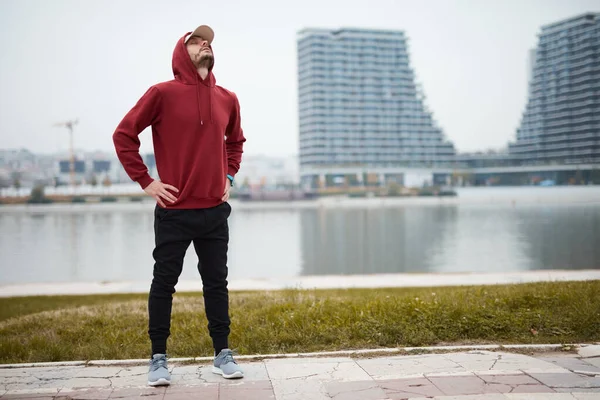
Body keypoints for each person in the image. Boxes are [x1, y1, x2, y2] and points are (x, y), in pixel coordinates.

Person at [112, 24, 246, 386]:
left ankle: (223, 353)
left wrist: (229, 177)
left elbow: (236, 142)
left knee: (217, 283)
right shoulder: (162, 93)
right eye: (196, 41)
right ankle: (158, 359)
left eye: (208, 42)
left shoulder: (227, 97)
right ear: (180, 53)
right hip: (174, 212)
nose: (205, 44)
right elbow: (124, 135)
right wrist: (147, 181)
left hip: (215, 212)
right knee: (163, 284)